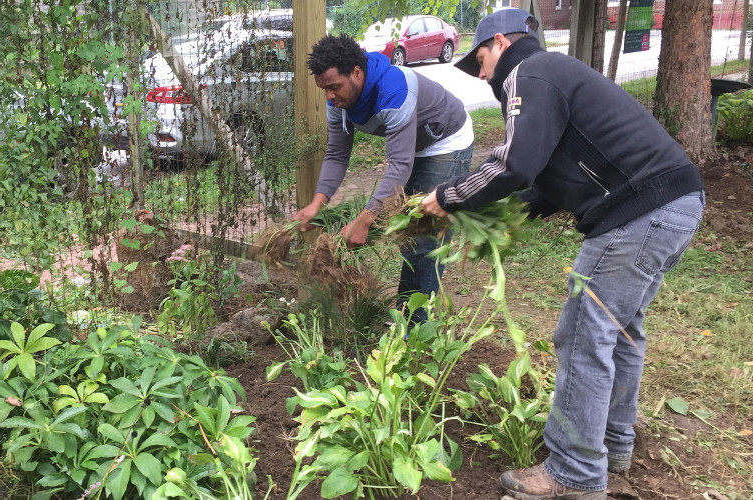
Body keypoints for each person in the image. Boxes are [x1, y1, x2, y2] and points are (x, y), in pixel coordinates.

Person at [421, 8, 705, 499]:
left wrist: (448, 198)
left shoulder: (530, 74)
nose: (481, 72)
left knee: (582, 334)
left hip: (637, 213)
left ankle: (574, 472)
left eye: (481, 58)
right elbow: (550, 179)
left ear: (503, 43)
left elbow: (514, 164)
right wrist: (506, 219)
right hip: (673, 204)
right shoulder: (553, 74)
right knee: (621, 332)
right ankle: (613, 445)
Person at [294, 34, 474, 322]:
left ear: (356, 73)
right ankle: (406, 315)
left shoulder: (394, 90)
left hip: (446, 142)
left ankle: (416, 326)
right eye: (324, 89)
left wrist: (365, 220)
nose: (329, 96)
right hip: (414, 146)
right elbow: (337, 155)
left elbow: (400, 165)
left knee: (427, 234)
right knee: (411, 234)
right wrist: (317, 202)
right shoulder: (338, 103)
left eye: (334, 87)